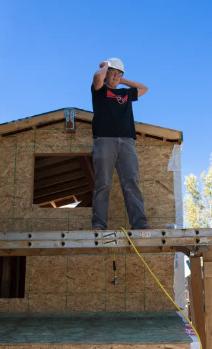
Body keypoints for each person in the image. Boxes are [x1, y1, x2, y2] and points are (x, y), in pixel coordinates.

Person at [90, 57, 149, 230]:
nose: (115, 77)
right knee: (103, 183)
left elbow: (144, 88)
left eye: (118, 74)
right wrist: (105, 66)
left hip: (127, 142)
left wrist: (121, 79)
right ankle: (99, 225)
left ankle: (139, 224)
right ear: (106, 74)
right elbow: (97, 77)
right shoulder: (99, 90)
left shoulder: (126, 93)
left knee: (131, 182)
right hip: (104, 141)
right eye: (112, 74)